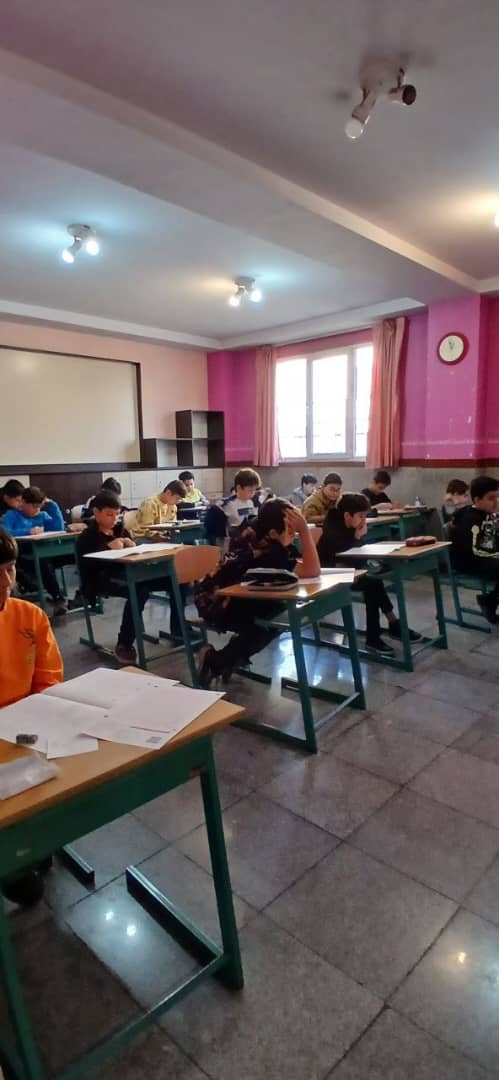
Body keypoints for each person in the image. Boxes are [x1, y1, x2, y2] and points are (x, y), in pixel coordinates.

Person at [0, 525, 63, 906]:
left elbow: (48, 679)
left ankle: (32, 842)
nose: (7, 582)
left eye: (9, 568)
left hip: (25, 730)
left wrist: (32, 726)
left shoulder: (29, 616)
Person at [196, 499, 320, 687]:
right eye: (290, 531)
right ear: (273, 533)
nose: (293, 535)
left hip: (233, 599)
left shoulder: (262, 533)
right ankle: (217, 660)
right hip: (216, 604)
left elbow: (302, 566)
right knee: (271, 621)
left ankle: (227, 658)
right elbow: (312, 570)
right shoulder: (267, 550)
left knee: (275, 617)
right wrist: (304, 531)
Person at [76, 491, 186, 660]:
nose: (114, 519)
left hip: (131, 574)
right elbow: (87, 566)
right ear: (96, 512)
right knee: (139, 590)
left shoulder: (120, 530)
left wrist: (131, 545)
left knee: (179, 580)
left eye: (117, 514)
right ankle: (125, 642)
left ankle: (178, 628)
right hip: (102, 580)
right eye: (109, 514)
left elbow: (134, 553)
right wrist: (107, 548)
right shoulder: (87, 537)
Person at [318, 493, 421, 657]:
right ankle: (377, 635)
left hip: (351, 570)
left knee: (373, 581)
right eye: (360, 516)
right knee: (372, 584)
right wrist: (358, 536)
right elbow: (347, 555)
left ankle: (390, 625)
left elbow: (357, 556)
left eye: (364, 516)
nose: (363, 521)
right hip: (331, 573)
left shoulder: (349, 524)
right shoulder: (332, 527)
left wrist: (358, 536)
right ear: (347, 515)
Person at [2, 486, 68, 614]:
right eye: (34, 507)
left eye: (39, 507)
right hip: (24, 556)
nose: (37, 510)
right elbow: (5, 532)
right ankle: (58, 597)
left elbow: (58, 528)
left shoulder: (42, 515)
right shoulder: (12, 515)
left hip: (45, 552)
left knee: (69, 556)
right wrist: (28, 531)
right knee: (44, 563)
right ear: (23, 502)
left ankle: (80, 594)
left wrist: (53, 505)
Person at [448, 475, 499, 623]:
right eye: (491, 498)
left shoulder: (484, 513)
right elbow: (481, 548)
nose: (496, 501)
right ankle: (490, 600)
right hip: (469, 561)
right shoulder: (472, 519)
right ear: (477, 500)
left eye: (498, 497)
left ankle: (490, 600)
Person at [204, 468, 261, 542]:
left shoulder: (252, 503)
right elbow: (215, 530)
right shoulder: (225, 505)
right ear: (239, 488)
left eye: (254, 490)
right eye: (250, 490)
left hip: (248, 541)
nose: (253, 493)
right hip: (231, 542)